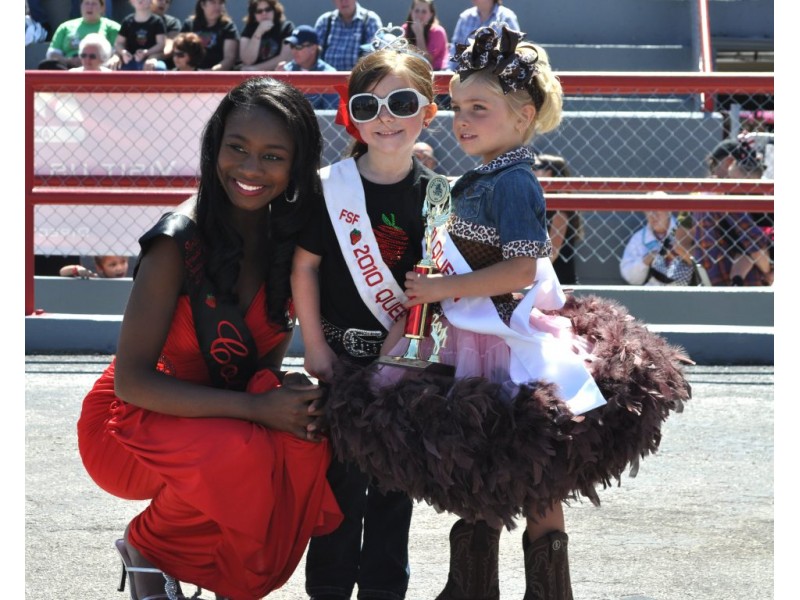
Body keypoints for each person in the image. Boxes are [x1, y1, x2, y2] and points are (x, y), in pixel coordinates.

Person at [322, 26, 692, 600]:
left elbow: (523, 268)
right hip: (474, 331)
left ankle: (547, 589)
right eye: (457, 107)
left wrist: (447, 288)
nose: (462, 119)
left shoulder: (515, 181)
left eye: (480, 108)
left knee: (530, 457)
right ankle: (472, 586)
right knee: (483, 454)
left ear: (523, 117)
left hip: (508, 335)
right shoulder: (478, 177)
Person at [76, 77, 343, 600]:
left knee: (304, 438)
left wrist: (285, 397)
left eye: (272, 156)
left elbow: (255, 373)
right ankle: (148, 547)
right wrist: (257, 410)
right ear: (214, 147)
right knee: (241, 450)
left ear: (296, 165)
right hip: (130, 425)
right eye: (237, 148)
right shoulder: (175, 242)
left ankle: (229, 580)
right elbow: (131, 383)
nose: (249, 168)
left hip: (213, 422)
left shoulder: (288, 241)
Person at [291, 36, 440, 600]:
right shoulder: (330, 189)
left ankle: (384, 589)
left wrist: (397, 358)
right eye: (368, 106)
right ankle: (326, 589)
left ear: (427, 113)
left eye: (402, 105)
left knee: (392, 490)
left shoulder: (439, 197)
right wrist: (313, 347)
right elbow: (304, 268)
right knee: (335, 490)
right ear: (348, 115)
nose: (385, 120)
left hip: (403, 368)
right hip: (336, 362)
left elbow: (431, 291)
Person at [692, 137, 774, 286]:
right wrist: (769, 270)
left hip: (712, 280)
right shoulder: (727, 198)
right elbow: (756, 247)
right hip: (741, 287)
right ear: (730, 163)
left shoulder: (704, 193)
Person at [532, 153, 583, 285]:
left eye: (536, 167)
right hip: (541, 282)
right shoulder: (537, 206)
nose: (531, 170)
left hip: (559, 285)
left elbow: (552, 253)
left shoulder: (560, 212)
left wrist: (527, 277)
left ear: (548, 173)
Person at [619, 207, 699, 286]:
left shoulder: (686, 232)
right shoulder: (638, 239)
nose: (653, 216)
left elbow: (702, 268)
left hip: (685, 292)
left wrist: (680, 252)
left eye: (657, 210)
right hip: (651, 294)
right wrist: (649, 258)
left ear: (668, 211)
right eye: (648, 212)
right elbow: (631, 278)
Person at [41, 0, 120, 69]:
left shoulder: (113, 27)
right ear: (81, 6)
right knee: (47, 65)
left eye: (94, 3)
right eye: (86, 3)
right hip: (70, 66)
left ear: (102, 8)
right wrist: (69, 61)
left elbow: (119, 50)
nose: (89, 7)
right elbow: (53, 53)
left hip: (100, 66)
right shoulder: (65, 27)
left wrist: (115, 58)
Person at [447, 0, 519, 70]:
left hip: (496, 77)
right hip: (466, 77)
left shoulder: (507, 17)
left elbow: (516, 49)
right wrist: (450, 72)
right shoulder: (465, 17)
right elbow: (455, 49)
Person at [280, 25, 339, 110]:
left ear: (313, 48)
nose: (294, 51)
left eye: (298, 47)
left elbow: (330, 115)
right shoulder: (285, 71)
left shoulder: (329, 74)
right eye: (292, 46)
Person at [314, 0, 383, 71]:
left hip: (357, 79)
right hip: (327, 79)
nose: (343, 1)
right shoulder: (324, 21)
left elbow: (376, 57)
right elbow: (312, 57)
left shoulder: (370, 20)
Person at [180, 0, 240, 71]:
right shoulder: (189, 25)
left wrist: (209, 73)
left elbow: (229, 59)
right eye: (213, 2)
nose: (217, 6)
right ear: (202, 5)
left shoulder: (228, 27)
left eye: (220, 3)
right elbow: (180, 53)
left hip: (217, 75)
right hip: (190, 74)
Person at [108, 0, 167, 71]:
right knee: (111, 66)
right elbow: (119, 43)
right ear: (131, 2)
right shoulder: (127, 21)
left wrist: (146, 53)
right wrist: (123, 53)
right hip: (129, 60)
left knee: (159, 68)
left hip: (149, 59)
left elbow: (161, 44)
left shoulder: (157, 21)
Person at [238, 0, 294, 71]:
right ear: (254, 14)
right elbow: (248, 60)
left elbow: (285, 58)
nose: (264, 13)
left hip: (277, 76)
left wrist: (255, 69)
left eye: (268, 9)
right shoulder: (249, 29)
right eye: (259, 11)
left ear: (275, 10)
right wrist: (258, 33)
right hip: (253, 79)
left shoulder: (286, 27)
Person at [402, 0, 449, 70]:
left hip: (436, 72)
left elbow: (426, 62)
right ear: (411, 12)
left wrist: (419, 34)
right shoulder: (405, 29)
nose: (419, 15)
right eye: (417, 11)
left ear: (431, 14)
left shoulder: (438, 32)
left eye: (424, 12)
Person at [148, 0, 182, 68]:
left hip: (161, 64)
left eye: (167, 2)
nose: (163, 3)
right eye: (160, 0)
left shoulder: (172, 23)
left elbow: (169, 48)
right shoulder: (132, 20)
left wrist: (153, 57)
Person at [60, 255, 130, 278]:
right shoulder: (95, 278)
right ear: (100, 267)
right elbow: (62, 272)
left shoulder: (135, 279)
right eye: (113, 265)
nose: (120, 268)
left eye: (123, 262)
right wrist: (76, 269)